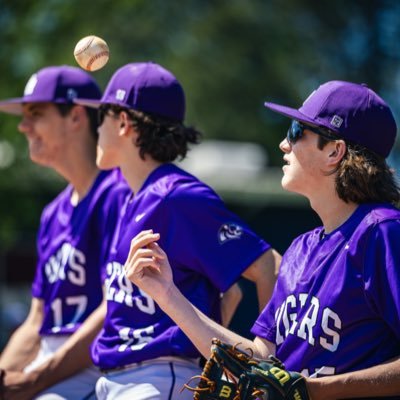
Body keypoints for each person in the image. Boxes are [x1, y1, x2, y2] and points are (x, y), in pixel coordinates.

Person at [125, 80, 400, 399]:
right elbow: (261, 358)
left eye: (298, 131)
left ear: (335, 151)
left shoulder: (382, 232)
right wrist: (166, 293)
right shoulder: (301, 249)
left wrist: (314, 391)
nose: (284, 144)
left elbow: (297, 388)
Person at [74, 61, 281, 400]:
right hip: (121, 380)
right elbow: (230, 293)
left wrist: (266, 357)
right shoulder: (133, 197)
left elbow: (269, 266)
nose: (97, 130)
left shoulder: (176, 195)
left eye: (102, 118)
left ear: (124, 122)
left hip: (159, 377)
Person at [0, 65, 130, 399]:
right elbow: (36, 321)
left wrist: (35, 380)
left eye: (36, 113)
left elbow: (112, 307)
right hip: (54, 360)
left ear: (75, 117)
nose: (23, 125)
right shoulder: (52, 214)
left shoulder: (119, 194)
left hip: (98, 362)